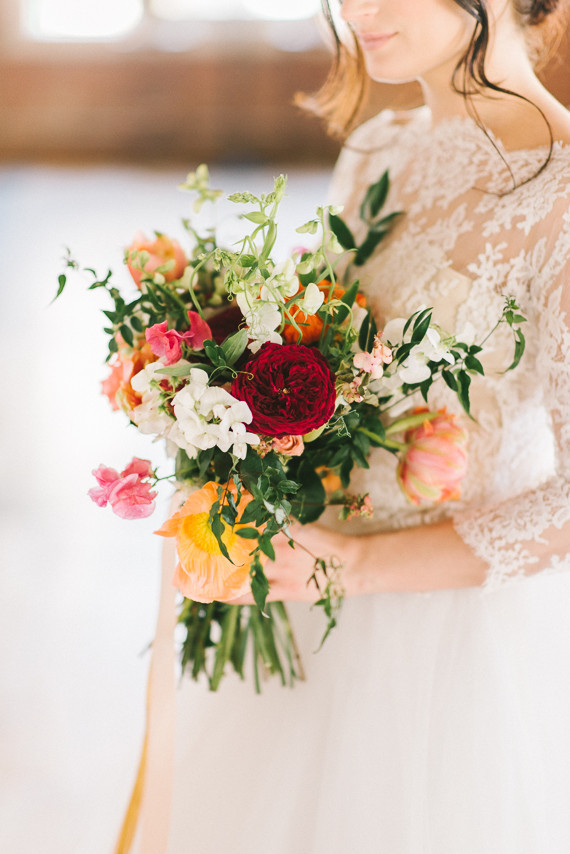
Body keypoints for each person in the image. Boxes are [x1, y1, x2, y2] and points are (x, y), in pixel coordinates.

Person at [167, 2, 570, 851]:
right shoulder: (378, 149)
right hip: (304, 607)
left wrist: (358, 564)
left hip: (447, 653)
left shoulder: (562, 190)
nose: (357, 10)